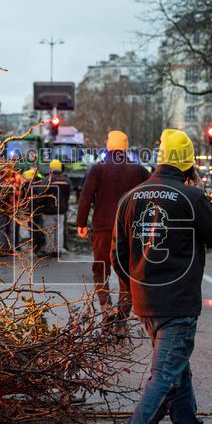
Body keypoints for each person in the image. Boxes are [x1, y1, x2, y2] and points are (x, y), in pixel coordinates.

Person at [109, 129, 212, 424]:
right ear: (189, 162)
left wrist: (133, 287)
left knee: (177, 371)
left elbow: (118, 254)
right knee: (164, 376)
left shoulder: (130, 197)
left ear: (160, 158)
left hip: (146, 300)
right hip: (178, 302)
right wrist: (203, 198)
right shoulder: (190, 195)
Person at [76, 130, 150, 320]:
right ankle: (122, 314)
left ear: (108, 146)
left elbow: (85, 197)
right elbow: (152, 194)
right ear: (125, 147)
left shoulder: (98, 168)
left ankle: (106, 308)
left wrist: (81, 223)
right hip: (130, 230)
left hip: (103, 228)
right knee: (127, 272)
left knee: (101, 269)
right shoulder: (139, 170)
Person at [34, 159, 71, 256]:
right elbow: (68, 195)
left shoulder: (47, 179)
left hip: (48, 210)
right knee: (59, 230)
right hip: (61, 210)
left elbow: (40, 194)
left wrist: (40, 205)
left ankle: (50, 249)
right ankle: (58, 250)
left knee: (50, 231)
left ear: (51, 168)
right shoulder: (66, 180)